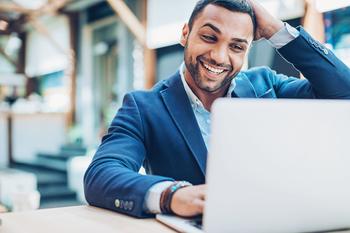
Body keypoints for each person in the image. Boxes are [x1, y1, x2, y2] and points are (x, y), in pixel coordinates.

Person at [84, 0, 350, 218]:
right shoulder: (143, 107)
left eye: (236, 46)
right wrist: (170, 196)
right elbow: (101, 174)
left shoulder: (267, 85)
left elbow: (343, 92)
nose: (219, 57)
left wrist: (276, 30)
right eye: (209, 37)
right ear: (185, 34)